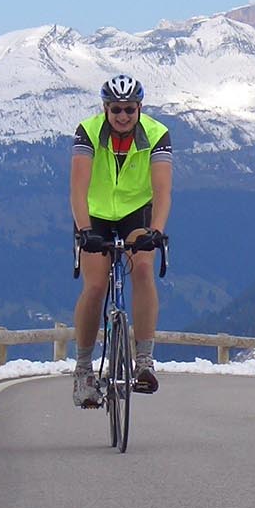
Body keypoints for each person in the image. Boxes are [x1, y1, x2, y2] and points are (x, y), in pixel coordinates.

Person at [70, 74, 171, 406]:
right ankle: (83, 371)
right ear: (105, 108)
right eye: (116, 110)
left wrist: (155, 231)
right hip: (95, 214)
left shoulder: (157, 135)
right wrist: (85, 231)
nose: (123, 116)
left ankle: (143, 360)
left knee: (142, 269)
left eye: (129, 109)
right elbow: (78, 189)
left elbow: (162, 191)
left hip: (136, 212)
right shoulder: (88, 132)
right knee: (96, 285)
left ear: (139, 107)